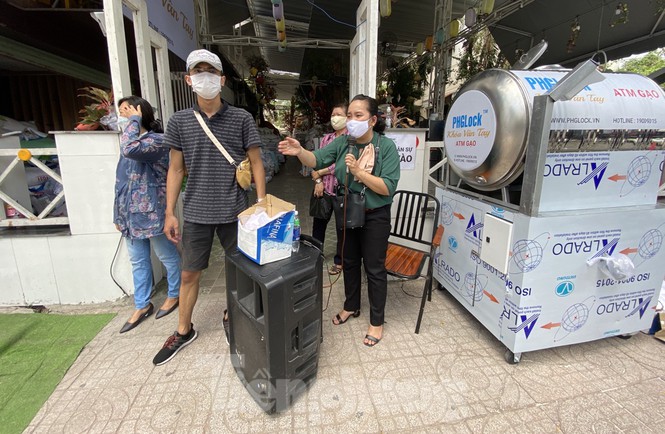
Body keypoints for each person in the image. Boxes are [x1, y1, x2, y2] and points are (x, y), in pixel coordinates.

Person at [153, 49, 266, 365]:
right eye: (198, 72)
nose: (205, 77)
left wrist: (260, 203)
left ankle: (234, 316)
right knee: (189, 273)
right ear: (189, 80)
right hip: (197, 211)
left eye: (211, 71)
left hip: (234, 210)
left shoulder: (241, 118)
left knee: (240, 271)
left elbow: (256, 162)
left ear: (222, 79)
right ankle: (183, 329)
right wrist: (169, 211)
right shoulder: (179, 122)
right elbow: (175, 169)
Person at [278, 94, 400, 347]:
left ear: (373, 119)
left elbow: (387, 187)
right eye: (350, 115)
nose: (352, 120)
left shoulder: (385, 147)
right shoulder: (344, 142)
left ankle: (377, 322)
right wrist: (300, 151)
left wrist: (357, 172)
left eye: (359, 115)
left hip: (375, 215)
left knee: (375, 269)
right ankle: (350, 306)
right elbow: (318, 160)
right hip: (348, 210)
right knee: (350, 262)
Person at [113, 96, 181, 334]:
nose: (123, 116)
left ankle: (175, 294)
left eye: (127, 111)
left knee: (167, 255)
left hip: (152, 212)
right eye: (122, 112)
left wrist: (134, 120)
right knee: (138, 261)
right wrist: (117, 214)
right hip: (129, 216)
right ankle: (142, 305)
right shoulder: (129, 140)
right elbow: (120, 181)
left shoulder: (157, 141)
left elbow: (130, 150)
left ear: (140, 112)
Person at [311, 103, 347, 275]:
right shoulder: (327, 138)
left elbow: (341, 165)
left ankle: (339, 261)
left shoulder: (351, 139)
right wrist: (317, 179)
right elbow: (317, 159)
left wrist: (322, 171)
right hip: (324, 189)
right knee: (318, 225)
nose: (335, 117)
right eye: (333, 114)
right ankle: (315, 257)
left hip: (342, 191)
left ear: (347, 118)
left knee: (342, 228)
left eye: (339, 114)